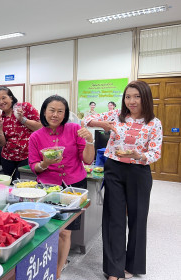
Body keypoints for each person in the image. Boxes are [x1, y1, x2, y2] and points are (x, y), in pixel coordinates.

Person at [84, 80, 162, 280]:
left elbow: (155, 152)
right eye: (128, 97)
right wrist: (101, 124)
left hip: (139, 171)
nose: (132, 101)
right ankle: (113, 270)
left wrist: (140, 156)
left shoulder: (154, 122)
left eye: (136, 96)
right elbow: (86, 119)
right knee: (114, 218)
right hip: (114, 169)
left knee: (138, 218)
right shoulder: (116, 115)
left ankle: (132, 265)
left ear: (145, 98)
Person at [28, 95, 95, 279]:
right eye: (51, 110)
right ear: (44, 111)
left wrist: (89, 140)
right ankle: (47, 261)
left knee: (65, 231)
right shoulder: (35, 136)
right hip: (48, 188)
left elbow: (88, 160)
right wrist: (46, 163)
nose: (55, 114)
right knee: (47, 228)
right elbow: (34, 167)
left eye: (60, 111)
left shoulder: (74, 129)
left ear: (65, 114)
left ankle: (56, 272)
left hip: (74, 186)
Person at [0, 87, 41, 180]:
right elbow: (1, 144)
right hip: (8, 159)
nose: (1, 102)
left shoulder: (25, 107)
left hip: (28, 157)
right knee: (10, 187)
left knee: (25, 187)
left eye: (4, 98)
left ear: (11, 98)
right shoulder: (0, 117)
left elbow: (40, 127)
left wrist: (23, 120)